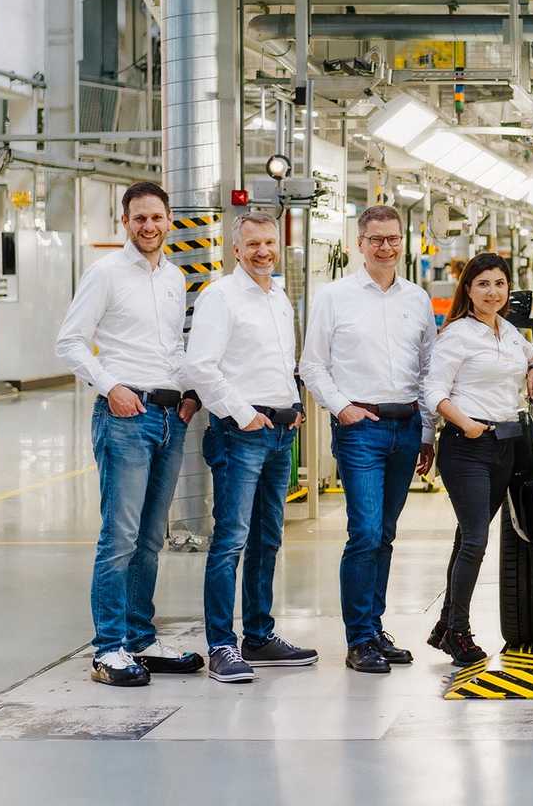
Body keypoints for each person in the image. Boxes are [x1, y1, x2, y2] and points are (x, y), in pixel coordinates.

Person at [55, 182, 204, 687]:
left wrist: (188, 394)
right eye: (139, 218)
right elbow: (70, 342)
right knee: (119, 536)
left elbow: (172, 347)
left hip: (168, 418)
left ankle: (140, 638)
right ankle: (108, 649)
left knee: (149, 538)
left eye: (156, 217)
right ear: (125, 222)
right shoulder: (105, 273)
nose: (149, 226)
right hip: (124, 416)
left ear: (169, 221)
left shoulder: (175, 278)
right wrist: (111, 386)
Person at [300, 205, 436, 675]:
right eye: (376, 239)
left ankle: (375, 630)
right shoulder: (334, 297)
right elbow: (312, 364)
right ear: (359, 243)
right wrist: (342, 407)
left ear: (403, 241)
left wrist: (427, 430)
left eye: (393, 238)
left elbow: (428, 370)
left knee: (386, 534)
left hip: (407, 426)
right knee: (365, 533)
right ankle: (359, 639)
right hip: (360, 428)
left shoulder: (417, 299)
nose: (385, 247)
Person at [184, 210, 319, 683]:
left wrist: (293, 404)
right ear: (236, 249)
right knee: (231, 540)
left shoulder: (278, 296)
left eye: (269, 243)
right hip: (240, 433)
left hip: (280, 432)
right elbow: (200, 366)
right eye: (253, 244)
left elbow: (279, 362)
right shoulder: (219, 296)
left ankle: (258, 636)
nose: (263, 251)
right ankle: (221, 644)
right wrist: (243, 413)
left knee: (268, 538)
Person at [422, 253, 533, 664]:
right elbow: (433, 391)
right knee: (476, 540)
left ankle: (445, 624)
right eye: (483, 284)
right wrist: (467, 424)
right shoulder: (456, 335)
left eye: (499, 284)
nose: (492, 292)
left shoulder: (507, 331)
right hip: (468, 447)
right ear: (468, 289)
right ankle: (459, 633)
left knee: (467, 537)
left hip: (505, 446)